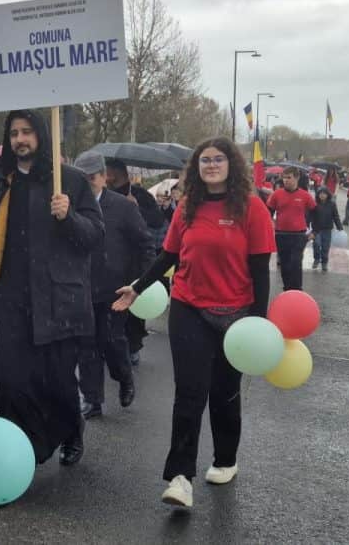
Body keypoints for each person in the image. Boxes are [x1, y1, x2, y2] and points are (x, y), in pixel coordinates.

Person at [113, 138, 274, 509]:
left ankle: (225, 458)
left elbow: (259, 269)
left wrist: (258, 323)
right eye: (205, 160)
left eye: (218, 159)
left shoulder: (251, 207)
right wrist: (138, 288)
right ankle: (180, 476)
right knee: (190, 391)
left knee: (224, 391)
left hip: (237, 312)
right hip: (189, 307)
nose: (212, 165)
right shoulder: (188, 205)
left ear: (231, 164)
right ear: (196, 167)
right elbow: (168, 254)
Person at [0, 110, 103, 467]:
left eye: (28, 132)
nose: (21, 139)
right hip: (9, 299)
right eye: (15, 133)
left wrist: (69, 217)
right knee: (10, 380)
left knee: (58, 382)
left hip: (56, 301)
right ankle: (14, 453)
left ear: (42, 136)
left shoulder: (71, 181)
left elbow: (95, 236)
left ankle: (70, 432)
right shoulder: (2, 182)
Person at [75, 152, 154, 419]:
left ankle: (124, 378)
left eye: (92, 178)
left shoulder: (123, 207)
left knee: (111, 341)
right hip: (81, 288)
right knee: (86, 347)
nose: (87, 183)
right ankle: (92, 399)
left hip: (114, 289)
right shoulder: (69, 207)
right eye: (81, 178)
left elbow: (145, 244)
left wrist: (140, 281)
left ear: (103, 178)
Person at [266, 166, 316, 291]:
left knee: (295, 262)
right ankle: (287, 289)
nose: (286, 180)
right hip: (281, 234)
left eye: (289, 178)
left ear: (297, 178)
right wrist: (269, 226)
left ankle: (297, 289)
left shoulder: (305, 195)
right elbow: (268, 212)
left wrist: (315, 231)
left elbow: (316, 213)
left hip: (299, 235)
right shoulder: (277, 194)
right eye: (284, 178)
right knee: (284, 264)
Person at [105, 158, 164, 232]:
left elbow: (158, 221)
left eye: (105, 174)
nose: (104, 178)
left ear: (114, 174)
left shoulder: (141, 194)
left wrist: (136, 208)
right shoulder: (104, 195)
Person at [308, 187, 343, 272]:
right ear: (318, 194)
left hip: (327, 229)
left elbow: (336, 216)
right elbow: (309, 215)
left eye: (324, 193)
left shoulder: (332, 204)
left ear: (327, 195)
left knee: (325, 247)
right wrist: (307, 225)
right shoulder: (314, 204)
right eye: (320, 193)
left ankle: (324, 263)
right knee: (316, 244)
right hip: (316, 230)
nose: (322, 195)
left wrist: (339, 227)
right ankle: (316, 259)